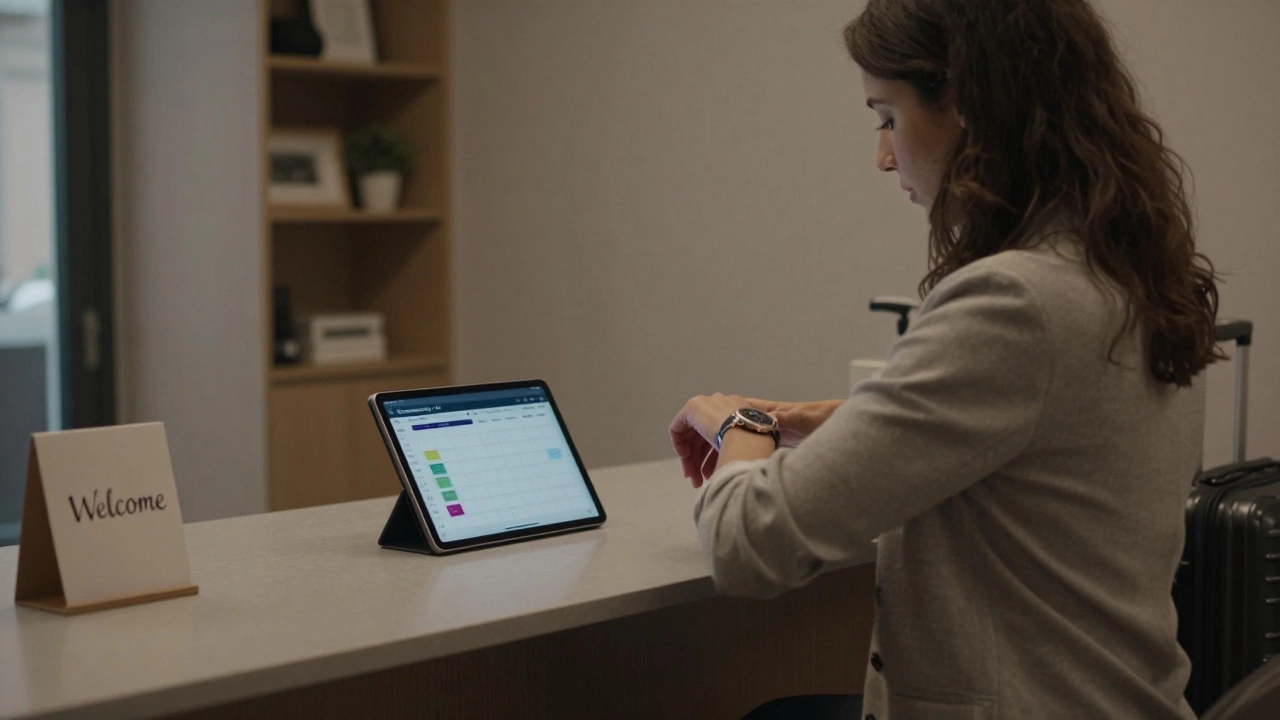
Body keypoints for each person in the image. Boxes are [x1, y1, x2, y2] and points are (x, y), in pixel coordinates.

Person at [667, 0, 1220, 718]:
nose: (883, 154)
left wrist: (739, 426)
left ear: (968, 106)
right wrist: (847, 420)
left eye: (886, 116)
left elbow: (749, 546)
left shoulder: (1014, 301)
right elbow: (1062, 427)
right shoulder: (1122, 272)